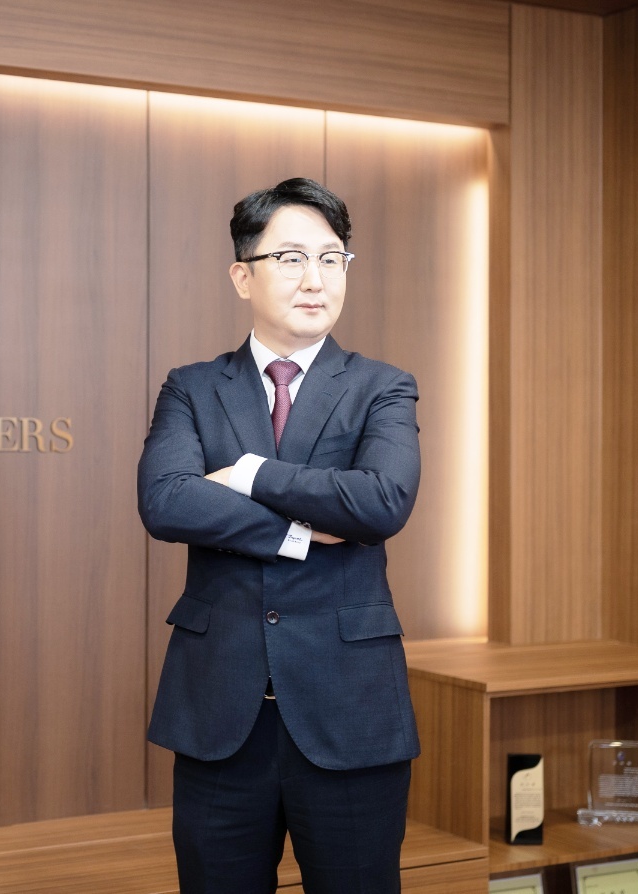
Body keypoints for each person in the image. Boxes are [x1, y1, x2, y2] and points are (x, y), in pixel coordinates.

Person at [137, 177, 421, 894]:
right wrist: (302, 530)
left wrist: (248, 473)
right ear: (243, 276)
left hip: (349, 709)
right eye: (291, 259)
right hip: (219, 713)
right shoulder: (192, 387)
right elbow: (166, 502)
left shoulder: (382, 386)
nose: (314, 279)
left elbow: (380, 502)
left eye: (331, 259)